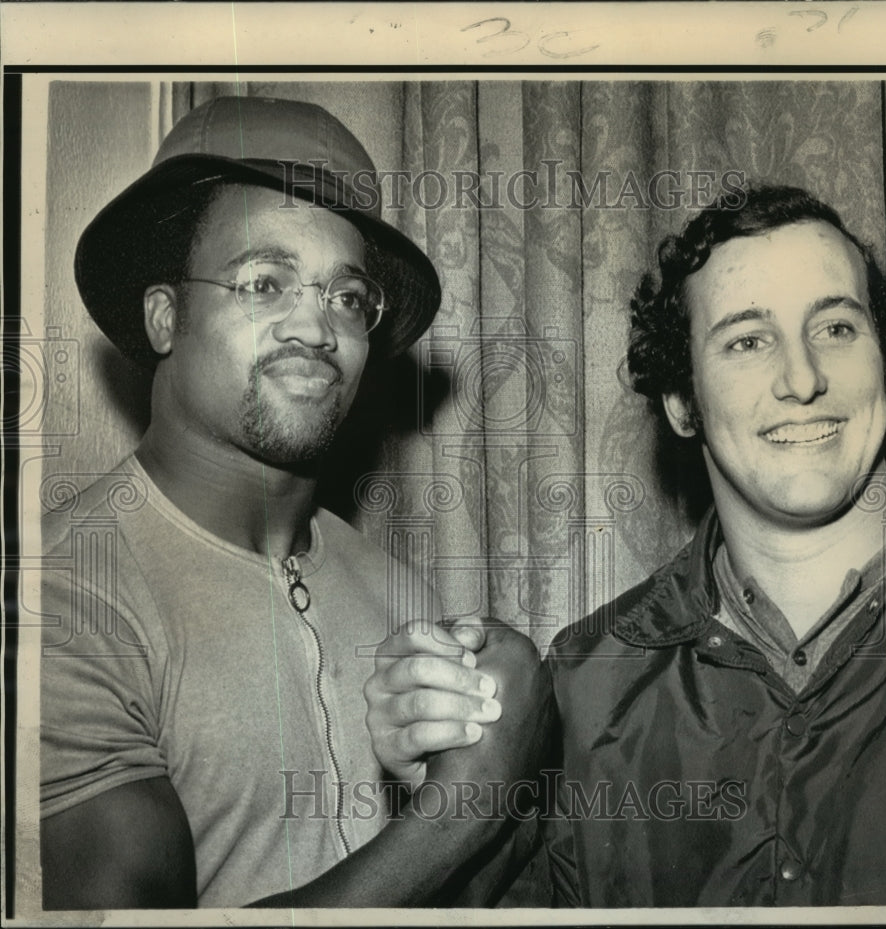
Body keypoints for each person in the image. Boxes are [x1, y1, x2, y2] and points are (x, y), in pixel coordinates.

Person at [364, 185, 886, 906]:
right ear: (682, 403)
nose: (804, 378)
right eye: (747, 341)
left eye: (837, 328)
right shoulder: (589, 683)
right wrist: (442, 800)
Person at [39, 95, 551, 909]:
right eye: (265, 281)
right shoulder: (60, 593)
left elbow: (465, 890)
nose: (316, 327)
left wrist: (507, 772)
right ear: (167, 316)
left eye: (347, 297)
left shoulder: (395, 590)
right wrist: (463, 808)